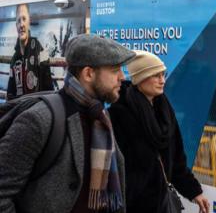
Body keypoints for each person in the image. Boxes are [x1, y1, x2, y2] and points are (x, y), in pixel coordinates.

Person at [0, 34, 136, 213]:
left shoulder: (100, 118)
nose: (122, 77)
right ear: (88, 73)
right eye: (115, 70)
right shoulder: (40, 120)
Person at [108, 50, 210, 213]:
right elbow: (114, 169)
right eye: (155, 75)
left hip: (162, 204)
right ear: (140, 78)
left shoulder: (165, 112)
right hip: (133, 206)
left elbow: (177, 162)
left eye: (163, 74)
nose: (162, 80)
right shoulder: (119, 114)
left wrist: (194, 192)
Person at [7, 3, 53, 100]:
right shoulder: (15, 58)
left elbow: (49, 88)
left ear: (29, 22)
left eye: (24, 19)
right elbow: (10, 92)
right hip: (19, 109)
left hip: (35, 110)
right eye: (19, 21)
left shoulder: (40, 51)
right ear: (16, 25)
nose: (21, 24)